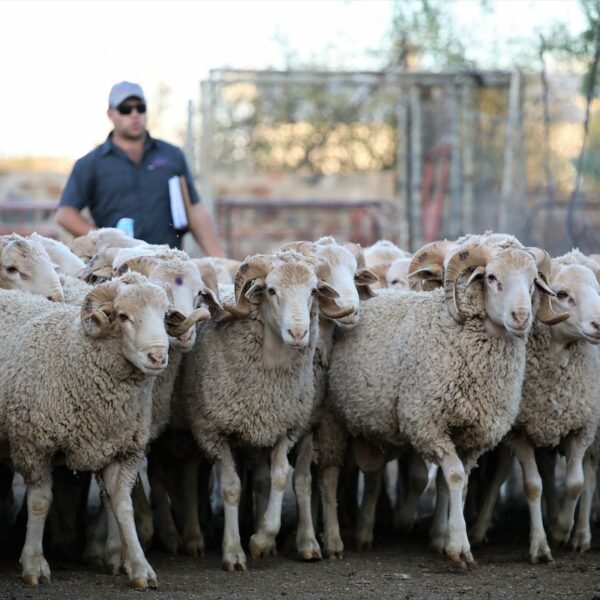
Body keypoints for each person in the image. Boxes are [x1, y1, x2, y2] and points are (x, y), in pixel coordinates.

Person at [56, 81, 225, 256]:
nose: (134, 114)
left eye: (140, 107)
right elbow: (65, 214)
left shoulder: (172, 155)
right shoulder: (90, 163)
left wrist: (222, 262)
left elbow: (194, 210)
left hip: (169, 266)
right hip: (118, 271)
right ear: (110, 114)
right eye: (125, 109)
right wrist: (104, 242)